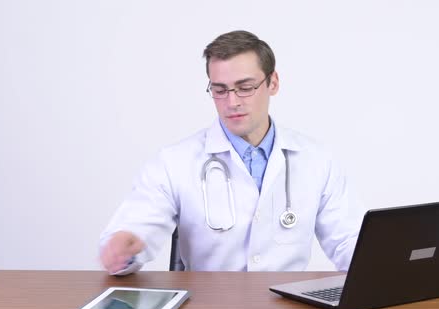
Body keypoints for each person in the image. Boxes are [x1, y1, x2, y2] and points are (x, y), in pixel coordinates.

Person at [99, 30, 364, 274]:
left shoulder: (316, 159)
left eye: (245, 88)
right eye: (220, 90)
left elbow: (347, 241)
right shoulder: (174, 162)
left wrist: (381, 266)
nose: (232, 101)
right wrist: (124, 248)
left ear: (273, 82)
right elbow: (136, 229)